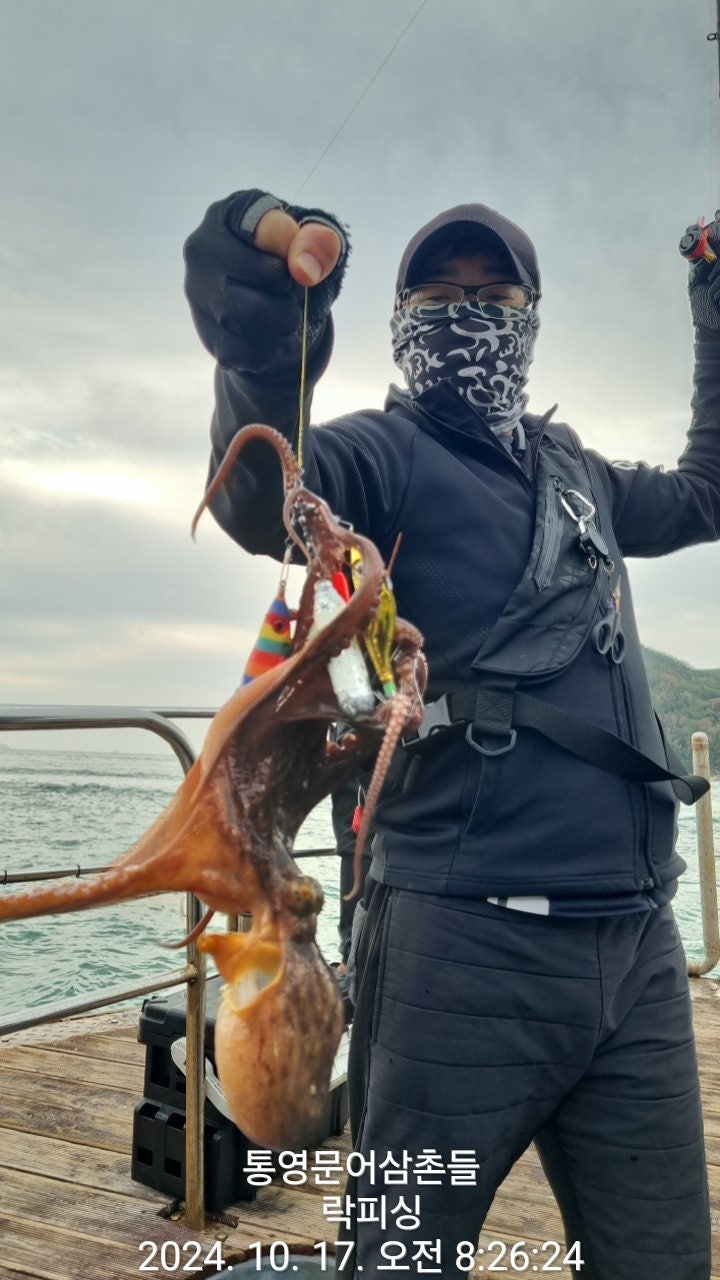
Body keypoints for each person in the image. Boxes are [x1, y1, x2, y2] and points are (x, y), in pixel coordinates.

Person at [183, 189, 720, 1279]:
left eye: (493, 295)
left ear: (532, 316)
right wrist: (270, 313)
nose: (465, 312)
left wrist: (713, 300)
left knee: (664, 1261)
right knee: (402, 1259)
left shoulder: (580, 475)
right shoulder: (385, 456)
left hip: (638, 949)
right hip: (457, 954)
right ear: (398, 319)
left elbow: (707, 491)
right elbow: (261, 489)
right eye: (436, 294)